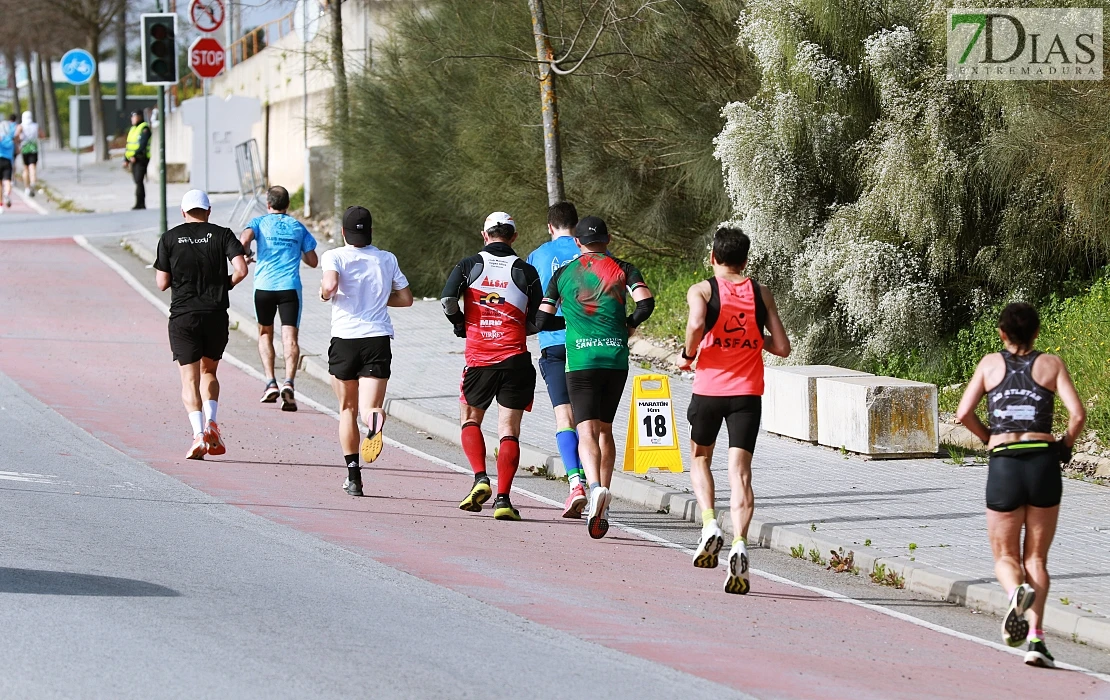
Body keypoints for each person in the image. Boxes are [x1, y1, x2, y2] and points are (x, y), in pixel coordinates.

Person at [955, 302, 1085, 669]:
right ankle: (1036, 640)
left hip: (1005, 465)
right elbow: (1077, 414)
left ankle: (1015, 594)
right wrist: (1064, 446)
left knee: (1006, 558)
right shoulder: (1051, 364)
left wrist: (988, 439)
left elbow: (963, 412)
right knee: (1036, 559)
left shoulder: (989, 364)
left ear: (1001, 333)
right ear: (1037, 333)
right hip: (1044, 462)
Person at [676, 228, 790, 595]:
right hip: (747, 395)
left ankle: (709, 524)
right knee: (741, 473)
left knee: (699, 459)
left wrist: (689, 354)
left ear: (713, 257)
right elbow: (783, 347)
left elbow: (696, 324)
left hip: (709, 390)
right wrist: (754, 339)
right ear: (746, 260)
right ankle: (739, 542)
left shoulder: (703, 290)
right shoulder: (761, 293)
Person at [535, 215, 655, 539]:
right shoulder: (624, 267)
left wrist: (570, 325)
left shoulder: (563, 274)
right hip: (615, 358)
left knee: (584, 429)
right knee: (605, 429)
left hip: (581, 359)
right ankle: (606, 495)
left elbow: (541, 320)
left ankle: (595, 488)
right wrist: (627, 324)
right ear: (609, 238)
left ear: (577, 242)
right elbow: (646, 303)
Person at [441, 212, 543, 521]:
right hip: (515, 359)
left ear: (484, 235)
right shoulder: (526, 270)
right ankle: (503, 499)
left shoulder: (469, 264)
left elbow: (447, 300)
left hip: (479, 358)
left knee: (470, 418)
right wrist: (516, 328)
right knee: (508, 430)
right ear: (514, 236)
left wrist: (462, 325)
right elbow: (540, 317)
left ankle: (480, 478)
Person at [320, 206, 413, 497]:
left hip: (345, 339)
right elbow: (407, 298)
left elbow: (331, 285)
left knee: (346, 409)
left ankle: (353, 477)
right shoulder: (386, 259)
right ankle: (373, 421)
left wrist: (325, 293)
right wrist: (377, 301)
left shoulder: (334, 255)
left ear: (344, 232)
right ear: (370, 231)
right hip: (377, 339)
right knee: (369, 407)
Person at [154, 190, 248, 459]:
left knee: (189, 379)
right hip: (215, 314)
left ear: (183, 213)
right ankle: (212, 422)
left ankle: (197, 434)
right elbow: (241, 270)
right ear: (208, 211)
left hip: (183, 315)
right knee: (210, 372)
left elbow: (161, 283)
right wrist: (224, 285)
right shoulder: (222, 234)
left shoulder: (169, 238)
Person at [526, 202, 589, 518]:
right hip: (588, 344)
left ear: (550, 226)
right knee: (589, 419)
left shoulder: (537, 256)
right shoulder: (588, 252)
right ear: (576, 227)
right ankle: (595, 480)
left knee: (564, 416)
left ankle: (576, 483)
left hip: (553, 344)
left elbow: (528, 301)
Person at [240, 185, 319, 411]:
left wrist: (248, 255)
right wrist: (296, 250)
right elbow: (313, 261)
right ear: (288, 205)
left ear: (268, 204)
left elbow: (244, 241)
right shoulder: (298, 227)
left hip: (264, 287)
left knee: (265, 333)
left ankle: (270, 382)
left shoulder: (258, 223)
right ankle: (289, 383)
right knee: (290, 338)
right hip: (289, 289)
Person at [124, 111, 152, 210]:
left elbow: (143, 144)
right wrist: (126, 159)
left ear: (139, 117)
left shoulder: (144, 128)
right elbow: (129, 145)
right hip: (133, 159)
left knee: (139, 180)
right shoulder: (133, 129)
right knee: (137, 181)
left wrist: (135, 155)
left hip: (141, 158)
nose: (132, 119)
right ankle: (139, 203)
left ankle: (140, 203)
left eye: (134, 117)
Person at [0, 113, 18, 211]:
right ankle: (7, 194)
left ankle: (0, 205)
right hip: (8, 161)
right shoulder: (10, 140)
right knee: (7, 181)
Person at [19, 111, 39, 197]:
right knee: (32, 167)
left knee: (25, 168)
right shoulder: (35, 126)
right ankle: (33, 182)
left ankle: (27, 187)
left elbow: (16, 135)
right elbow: (42, 135)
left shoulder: (21, 126)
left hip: (24, 148)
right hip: (33, 148)